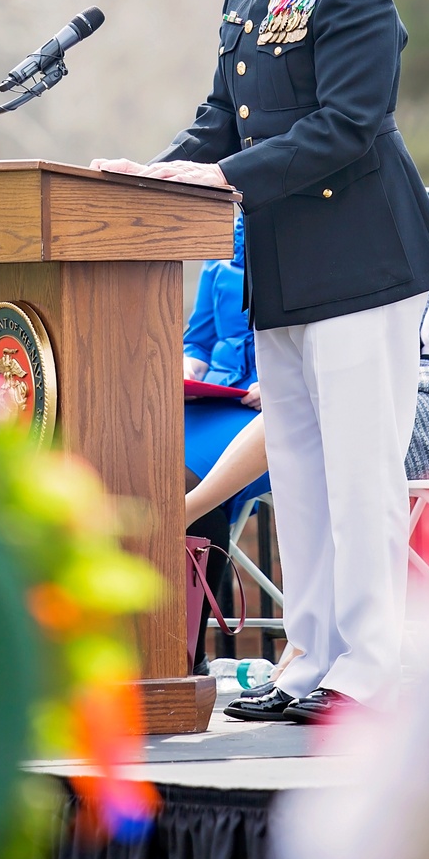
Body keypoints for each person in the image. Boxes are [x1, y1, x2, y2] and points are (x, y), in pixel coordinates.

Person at [93, 0, 429, 723]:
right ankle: (307, 661)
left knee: (361, 473)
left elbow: (348, 125)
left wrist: (219, 177)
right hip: (286, 267)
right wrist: (158, 170)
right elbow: (224, 117)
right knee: (298, 472)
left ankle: (368, 669)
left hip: (363, 262)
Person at [181, 93, 429, 517]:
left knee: (332, 408)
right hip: (415, 408)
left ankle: (189, 512)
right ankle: (193, 512)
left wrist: (401, 380)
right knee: (303, 398)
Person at [183, 212, 268, 674]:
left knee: (191, 483)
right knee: (145, 460)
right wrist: (188, 366)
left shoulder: (303, 245)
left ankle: (185, 650)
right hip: (211, 399)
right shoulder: (219, 250)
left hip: (269, 411)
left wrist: (276, 382)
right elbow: (197, 339)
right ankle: (166, 648)